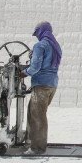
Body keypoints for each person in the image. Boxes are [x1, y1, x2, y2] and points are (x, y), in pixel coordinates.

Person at [23, 21, 62, 155]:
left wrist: (23, 72)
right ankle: (31, 141)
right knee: (34, 113)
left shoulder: (40, 45)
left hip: (41, 85)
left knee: (37, 116)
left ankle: (37, 148)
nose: (36, 36)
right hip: (52, 85)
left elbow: (35, 67)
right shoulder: (55, 45)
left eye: (37, 33)